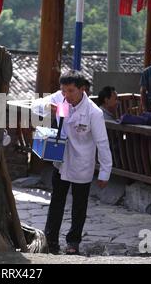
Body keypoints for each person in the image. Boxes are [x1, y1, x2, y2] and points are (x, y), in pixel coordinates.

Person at [31, 73, 112, 255]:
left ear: (82, 89)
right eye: (63, 90)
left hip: (82, 163)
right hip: (61, 160)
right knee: (56, 202)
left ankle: (73, 242)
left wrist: (105, 172)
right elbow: (35, 105)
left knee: (79, 205)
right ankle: (50, 241)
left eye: (70, 91)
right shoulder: (61, 98)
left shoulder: (94, 112)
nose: (66, 95)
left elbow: (102, 143)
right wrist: (48, 107)